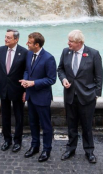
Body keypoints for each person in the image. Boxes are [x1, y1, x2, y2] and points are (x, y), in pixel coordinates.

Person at [57, 30, 102, 163]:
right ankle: (70, 148)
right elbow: (60, 69)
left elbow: (99, 77)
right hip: (70, 95)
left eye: (71, 41)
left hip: (87, 96)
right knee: (71, 125)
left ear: (80, 43)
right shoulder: (66, 52)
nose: (68, 43)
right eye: (68, 40)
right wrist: (63, 79)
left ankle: (89, 151)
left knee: (87, 126)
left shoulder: (93, 54)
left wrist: (96, 94)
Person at [19, 32, 56, 162]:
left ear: (37, 44)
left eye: (29, 42)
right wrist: (25, 80)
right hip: (31, 96)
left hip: (42, 97)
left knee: (46, 125)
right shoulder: (29, 54)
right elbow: (27, 70)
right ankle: (34, 146)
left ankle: (46, 150)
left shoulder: (49, 58)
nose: (26, 44)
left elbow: (51, 80)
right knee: (33, 123)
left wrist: (33, 83)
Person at [0, 29, 28, 152]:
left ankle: (17, 141)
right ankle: (7, 140)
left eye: (8, 38)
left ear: (16, 39)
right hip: (3, 89)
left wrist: (25, 91)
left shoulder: (24, 52)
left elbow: (26, 72)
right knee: (5, 116)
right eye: (5, 37)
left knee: (19, 117)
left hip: (18, 90)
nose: (6, 39)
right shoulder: (1, 50)